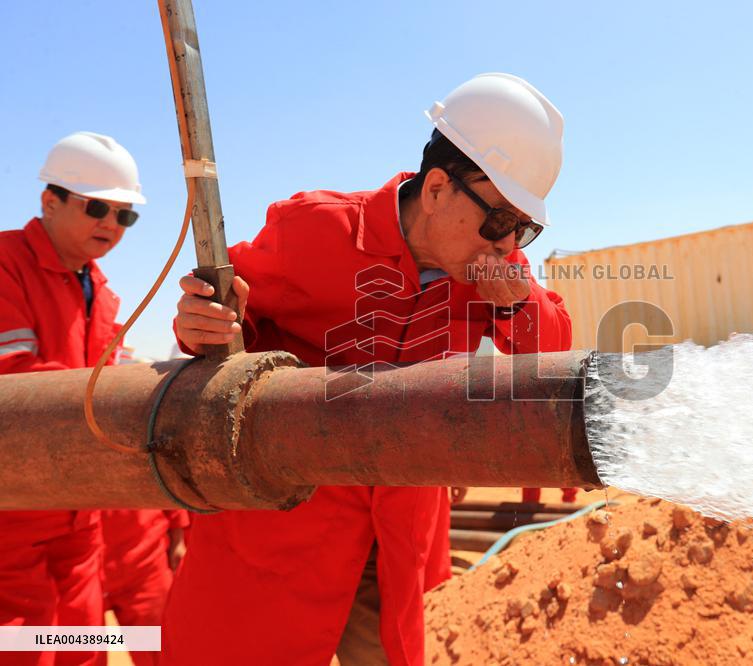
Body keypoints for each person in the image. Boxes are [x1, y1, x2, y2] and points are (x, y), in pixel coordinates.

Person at [163, 73, 572, 665]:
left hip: (399, 542)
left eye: (523, 229)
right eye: (500, 222)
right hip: (285, 530)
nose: (509, 244)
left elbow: (554, 353)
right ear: (437, 189)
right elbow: (223, 320)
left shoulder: (493, 267)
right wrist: (201, 324)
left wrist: (519, 302)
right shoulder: (313, 230)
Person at [0, 131, 146, 666]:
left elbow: (115, 385)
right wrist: (119, 406)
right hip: (11, 514)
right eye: (97, 207)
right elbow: (15, 383)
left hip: (80, 517)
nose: (112, 224)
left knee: (84, 649)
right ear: (50, 201)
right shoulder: (4, 265)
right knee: (21, 649)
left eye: (125, 215)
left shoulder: (103, 295)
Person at [98, 510, 188, 666]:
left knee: (160, 654)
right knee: (77, 650)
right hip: (80, 568)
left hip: (144, 562)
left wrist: (178, 535)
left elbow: (169, 493)